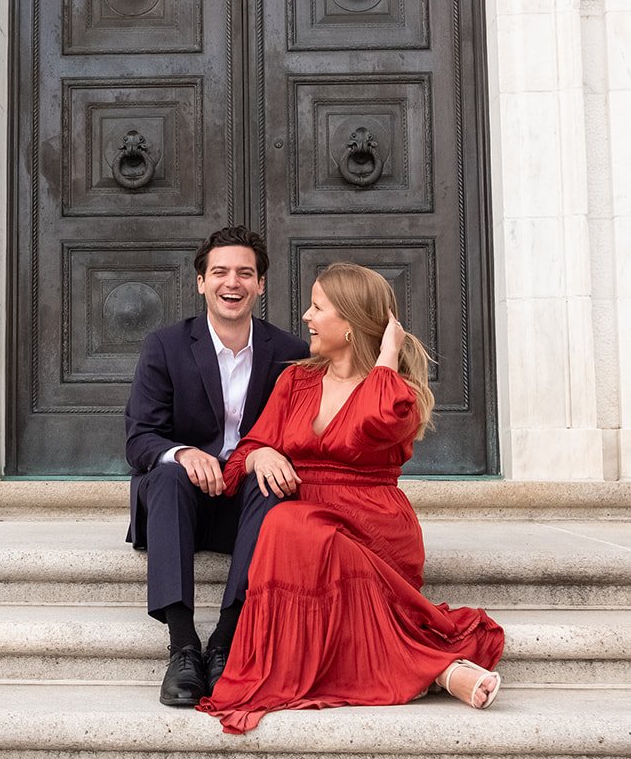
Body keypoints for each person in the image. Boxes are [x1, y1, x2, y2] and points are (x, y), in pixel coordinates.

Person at [198, 262, 504, 733]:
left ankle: (434, 667)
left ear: (351, 325)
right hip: (308, 531)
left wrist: (384, 360)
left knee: (288, 527)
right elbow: (244, 455)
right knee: (289, 527)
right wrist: (261, 458)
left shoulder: (396, 392)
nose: (305, 317)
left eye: (318, 308)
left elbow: (375, 423)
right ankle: (441, 669)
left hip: (372, 528)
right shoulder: (296, 381)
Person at [125, 225, 309, 707]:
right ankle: (183, 646)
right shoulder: (164, 346)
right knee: (164, 472)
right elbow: (139, 439)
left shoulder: (290, 353)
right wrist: (183, 453)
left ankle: (226, 640)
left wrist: (269, 450)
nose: (234, 283)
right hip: (179, 502)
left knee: (274, 483)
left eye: (246, 273)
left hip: (244, 507)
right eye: (221, 272)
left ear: (261, 284)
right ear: (201, 282)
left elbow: (304, 432)